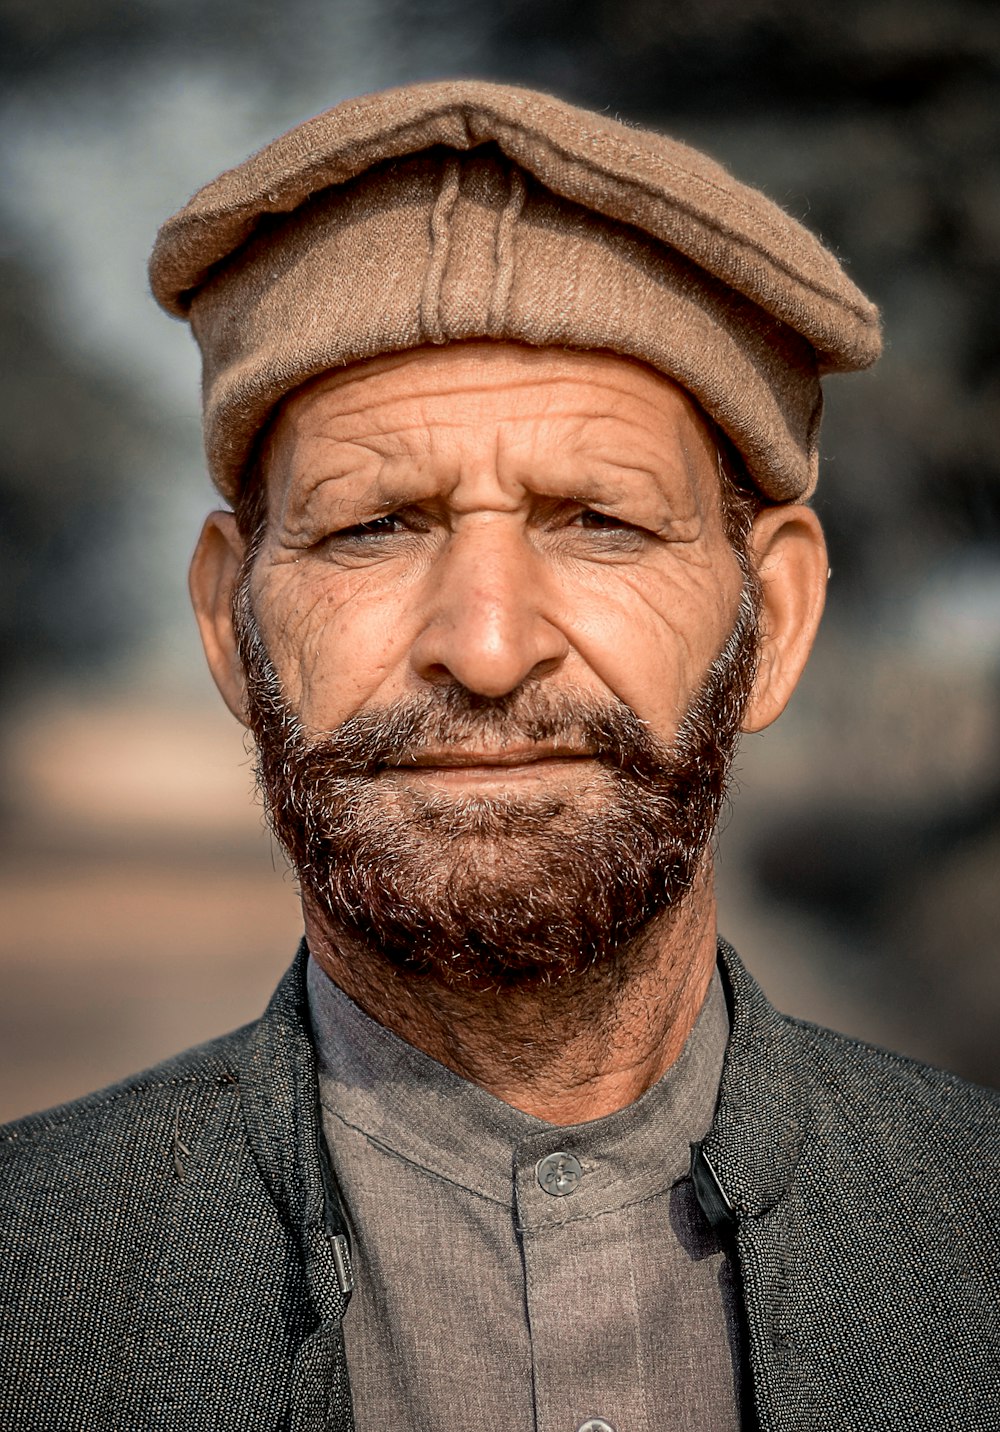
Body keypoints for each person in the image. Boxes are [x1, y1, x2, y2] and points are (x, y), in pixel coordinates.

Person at [1, 79, 997, 1432]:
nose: (484, 644)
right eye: (374, 525)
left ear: (776, 621)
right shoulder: (31, 1288)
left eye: (595, 520)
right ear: (232, 627)